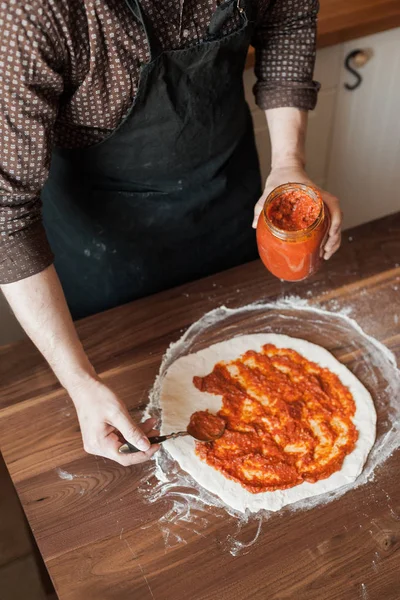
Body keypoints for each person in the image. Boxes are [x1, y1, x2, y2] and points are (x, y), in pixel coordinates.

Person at [0, 0, 341, 467]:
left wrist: (288, 162)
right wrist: (80, 382)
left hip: (227, 199)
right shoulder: (33, 13)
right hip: (104, 250)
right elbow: (7, 218)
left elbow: (286, 21)